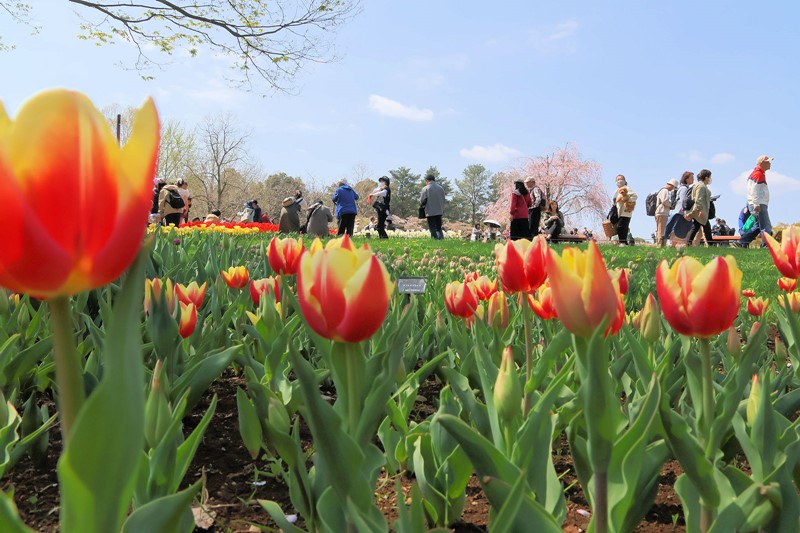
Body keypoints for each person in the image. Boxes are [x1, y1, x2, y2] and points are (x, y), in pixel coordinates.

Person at [739, 155, 774, 247]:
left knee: (758, 226)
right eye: (768, 162)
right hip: (759, 203)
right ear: (762, 163)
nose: (770, 163)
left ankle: (741, 242)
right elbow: (755, 191)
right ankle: (766, 245)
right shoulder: (759, 174)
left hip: (756, 203)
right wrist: (756, 204)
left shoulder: (756, 173)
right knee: (766, 225)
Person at [663, 171, 696, 246]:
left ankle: (671, 247)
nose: (693, 179)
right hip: (680, 214)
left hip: (679, 213)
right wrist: (686, 213)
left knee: (677, 232)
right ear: (687, 179)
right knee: (677, 233)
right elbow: (683, 201)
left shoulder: (683, 188)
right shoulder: (684, 189)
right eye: (692, 177)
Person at [685, 169, 714, 246]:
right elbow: (698, 199)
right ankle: (711, 245)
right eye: (709, 177)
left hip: (701, 211)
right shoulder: (701, 186)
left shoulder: (701, 185)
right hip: (701, 211)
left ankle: (689, 243)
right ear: (706, 177)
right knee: (704, 228)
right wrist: (700, 210)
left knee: (697, 227)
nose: (710, 179)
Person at [420, 174, 446, 240]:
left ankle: (435, 240)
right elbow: (443, 199)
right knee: (438, 227)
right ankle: (441, 239)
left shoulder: (425, 188)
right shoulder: (441, 188)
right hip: (439, 211)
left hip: (430, 211)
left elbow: (422, 200)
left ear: (427, 180)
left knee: (432, 228)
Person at [613, 175, 637, 245]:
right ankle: (623, 242)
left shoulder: (627, 188)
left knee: (621, 226)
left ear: (624, 181)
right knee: (620, 227)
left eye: (621, 179)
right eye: (618, 180)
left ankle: (623, 242)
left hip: (626, 211)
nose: (619, 181)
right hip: (618, 211)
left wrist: (627, 200)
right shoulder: (616, 191)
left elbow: (635, 196)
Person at [655, 179, 679, 247]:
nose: (672, 189)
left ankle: (659, 244)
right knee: (661, 230)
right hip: (662, 212)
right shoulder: (665, 191)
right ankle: (660, 245)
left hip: (661, 212)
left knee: (660, 229)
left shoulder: (662, 190)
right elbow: (664, 201)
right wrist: (671, 205)